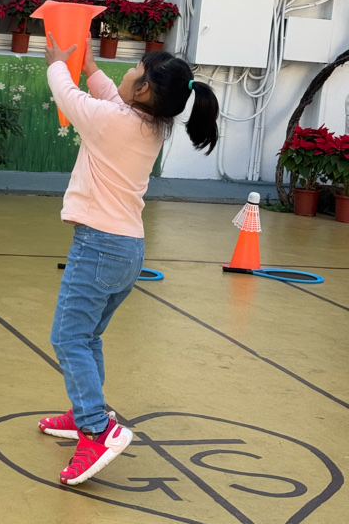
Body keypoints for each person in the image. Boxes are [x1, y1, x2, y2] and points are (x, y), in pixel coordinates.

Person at [39, 34, 220, 486]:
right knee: (89, 336)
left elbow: (69, 97)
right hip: (127, 249)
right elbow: (110, 97)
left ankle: (97, 430)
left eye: (134, 69)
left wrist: (59, 63)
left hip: (98, 247)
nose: (127, 72)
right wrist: (89, 65)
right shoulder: (149, 123)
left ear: (143, 89)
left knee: (68, 338)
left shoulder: (110, 121)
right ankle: (86, 410)